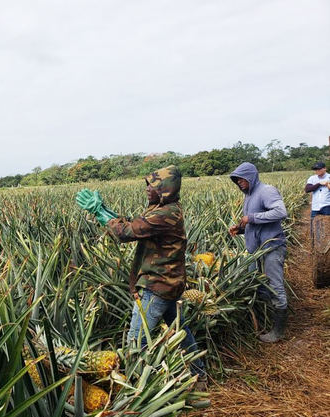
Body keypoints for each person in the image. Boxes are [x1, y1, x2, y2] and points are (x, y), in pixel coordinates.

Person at [76, 165, 206, 380]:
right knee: (181, 330)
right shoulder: (163, 209)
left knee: (137, 340)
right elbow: (134, 223)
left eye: (153, 185)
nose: (147, 189)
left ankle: (139, 389)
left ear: (165, 189)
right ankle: (199, 374)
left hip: (158, 284)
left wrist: (98, 212)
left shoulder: (165, 213)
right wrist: (105, 210)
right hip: (169, 283)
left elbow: (127, 232)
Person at [229, 162, 288, 343]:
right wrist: (240, 229)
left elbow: (280, 212)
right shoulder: (249, 195)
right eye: (236, 179)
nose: (239, 182)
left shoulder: (266, 191)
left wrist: (252, 217)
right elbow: (255, 224)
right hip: (257, 250)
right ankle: (266, 319)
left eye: (241, 178)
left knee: (275, 285)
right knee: (259, 285)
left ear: (251, 177)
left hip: (272, 247)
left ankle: (278, 332)